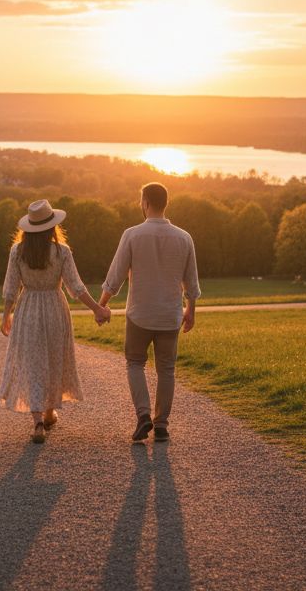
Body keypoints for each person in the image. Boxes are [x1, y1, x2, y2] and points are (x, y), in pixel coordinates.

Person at [0, 199, 111, 443]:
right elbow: (76, 287)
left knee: (33, 362)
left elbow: (11, 287)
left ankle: (38, 421)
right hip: (54, 309)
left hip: (28, 308)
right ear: (52, 227)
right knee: (53, 359)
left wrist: (6, 314)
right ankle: (49, 413)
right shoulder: (61, 252)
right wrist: (97, 309)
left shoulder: (18, 251)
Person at [99, 182, 200, 443]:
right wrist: (191, 311)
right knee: (167, 369)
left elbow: (115, 276)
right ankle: (162, 425)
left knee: (135, 363)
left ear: (145, 203)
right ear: (165, 203)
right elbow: (191, 281)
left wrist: (102, 305)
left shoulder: (132, 234)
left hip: (140, 314)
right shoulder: (184, 237)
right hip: (169, 314)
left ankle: (143, 415)